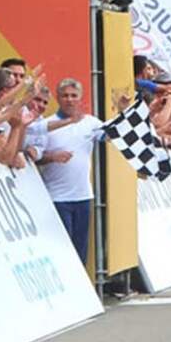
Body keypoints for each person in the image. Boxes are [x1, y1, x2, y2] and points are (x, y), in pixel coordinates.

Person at [38, 78, 105, 263]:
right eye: (65, 95)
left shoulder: (91, 123)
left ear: (80, 98)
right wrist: (52, 157)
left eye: (73, 96)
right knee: (62, 250)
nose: (69, 99)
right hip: (57, 197)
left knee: (80, 250)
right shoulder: (47, 125)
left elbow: (112, 135)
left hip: (83, 197)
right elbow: (36, 157)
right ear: (58, 98)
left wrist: (123, 110)